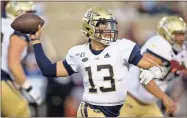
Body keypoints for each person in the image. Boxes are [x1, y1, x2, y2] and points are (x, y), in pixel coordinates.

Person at [30, 8, 176, 117]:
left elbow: (149, 65)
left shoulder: (123, 47)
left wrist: (153, 71)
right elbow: (48, 70)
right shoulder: (79, 53)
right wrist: (36, 41)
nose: (108, 29)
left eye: (109, 25)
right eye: (103, 25)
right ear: (90, 28)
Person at [120, 16, 187, 117]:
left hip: (149, 104)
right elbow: (145, 79)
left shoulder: (182, 49)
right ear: (166, 33)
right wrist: (165, 98)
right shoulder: (158, 45)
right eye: (177, 34)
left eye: (183, 34)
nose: (181, 38)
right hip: (128, 100)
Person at [1, 1, 42, 117]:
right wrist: (28, 87)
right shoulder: (18, 31)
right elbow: (13, 63)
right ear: (18, 13)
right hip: (2, 79)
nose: (34, 18)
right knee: (21, 112)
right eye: (30, 13)